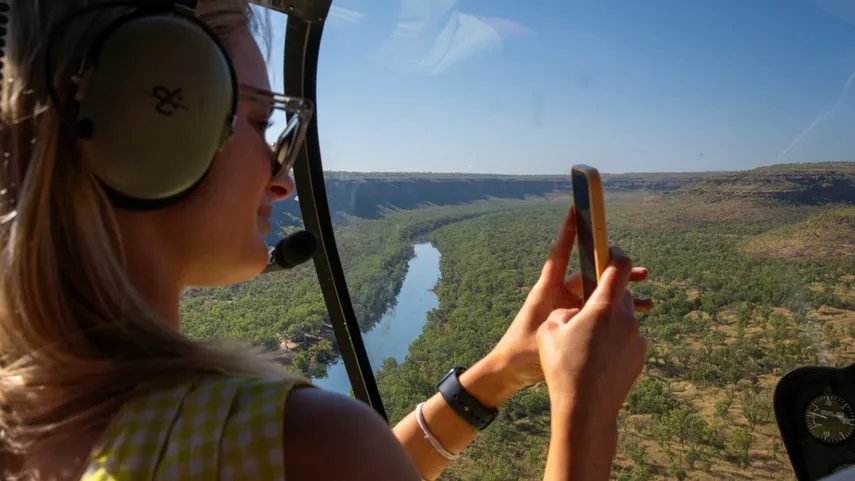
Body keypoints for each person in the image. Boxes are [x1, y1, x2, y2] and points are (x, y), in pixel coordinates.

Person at [0, 1, 652, 480]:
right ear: (152, 123)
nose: (281, 181)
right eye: (259, 121)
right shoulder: (293, 439)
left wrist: (496, 374)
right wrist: (585, 408)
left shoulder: (25, 422)